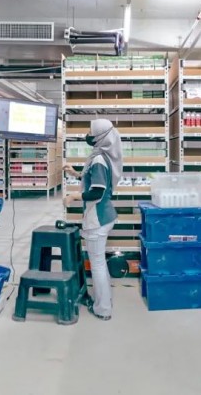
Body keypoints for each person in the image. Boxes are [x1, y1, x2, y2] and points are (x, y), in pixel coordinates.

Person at [63, 119, 122, 321]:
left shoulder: (98, 160)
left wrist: (74, 196)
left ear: (100, 137)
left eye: (90, 131)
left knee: (97, 264)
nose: (87, 134)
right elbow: (93, 180)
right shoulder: (103, 155)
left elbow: (97, 192)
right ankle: (104, 301)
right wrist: (75, 173)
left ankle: (103, 309)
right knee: (99, 263)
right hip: (105, 215)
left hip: (98, 218)